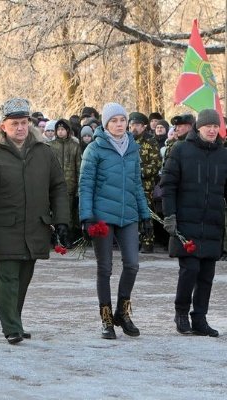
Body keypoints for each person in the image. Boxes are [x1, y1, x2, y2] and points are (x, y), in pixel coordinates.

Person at [0, 98, 69, 345]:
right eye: (14, 123)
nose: (20, 128)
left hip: (34, 226)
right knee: (8, 277)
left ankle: (15, 320)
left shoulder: (44, 153)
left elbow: (58, 187)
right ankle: (11, 327)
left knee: (24, 276)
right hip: (4, 228)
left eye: (24, 123)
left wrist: (62, 221)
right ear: (3, 126)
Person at [78, 102, 152, 340]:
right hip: (102, 216)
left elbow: (137, 185)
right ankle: (106, 318)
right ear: (105, 124)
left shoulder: (133, 148)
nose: (119, 125)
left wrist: (145, 214)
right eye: (114, 121)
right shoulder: (95, 149)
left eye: (122, 120)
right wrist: (86, 216)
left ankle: (123, 311)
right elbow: (85, 185)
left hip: (128, 214)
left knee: (132, 264)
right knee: (105, 268)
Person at [160, 109, 227, 338]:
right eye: (208, 126)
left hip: (212, 223)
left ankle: (200, 318)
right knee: (190, 269)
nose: (212, 130)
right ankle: (181, 313)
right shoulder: (181, 150)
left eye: (215, 126)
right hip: (186, 222)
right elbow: (167, 186)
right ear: (198, 127)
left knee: (207, 274)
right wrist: (170, 215)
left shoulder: (223, 155)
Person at [128, 112, 161, 253]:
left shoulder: (150, 141)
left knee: (146, 213)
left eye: (136, 125)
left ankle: (148, 242)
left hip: (145, 184)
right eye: (131, 125)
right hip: (129, 184)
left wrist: (140, 172)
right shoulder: (126, 141)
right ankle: (133, 241)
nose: (133, 128)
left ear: (143, 127)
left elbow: (156, 163)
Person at [49, 119, 82, 243]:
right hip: (53, 186)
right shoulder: (50, 146)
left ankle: (67, 238)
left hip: (70, 186)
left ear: (68, 131)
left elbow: (79, 168)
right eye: (58, 129)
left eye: (63, 129)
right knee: (53, 211)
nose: (60, 132)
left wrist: (78, 189)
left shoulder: (75, 146)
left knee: (69, 214)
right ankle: (53, 237)